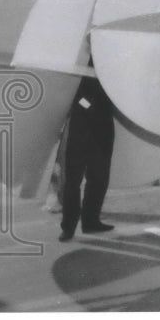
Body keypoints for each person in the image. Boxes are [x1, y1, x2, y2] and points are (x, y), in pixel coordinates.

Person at [58, 73, 115, 241]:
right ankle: (69, 227)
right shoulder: (83, 58)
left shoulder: (110, 62)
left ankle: (90, 221)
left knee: (99, 177)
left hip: (101, 126)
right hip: (83, 127)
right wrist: (90, 107)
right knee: (73, 179)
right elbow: (76, 96)